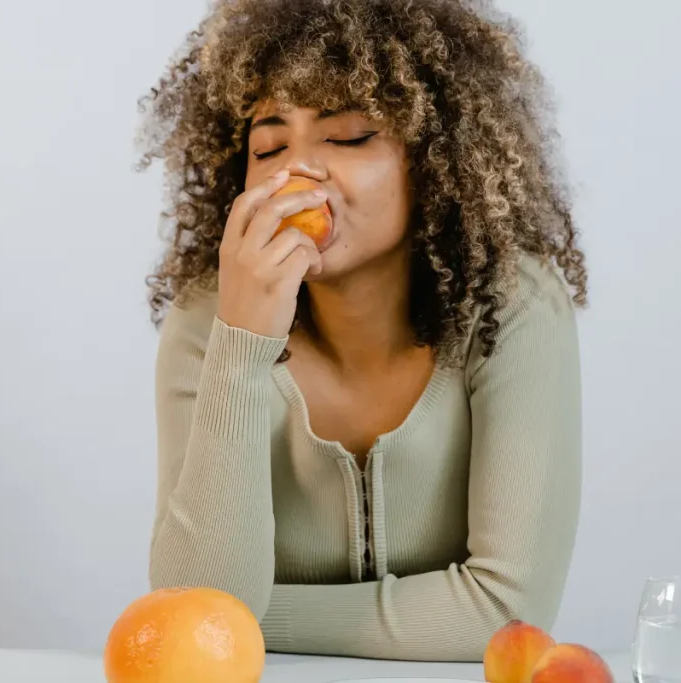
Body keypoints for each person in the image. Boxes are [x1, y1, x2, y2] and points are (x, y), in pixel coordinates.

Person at [135, 0, 587, 662]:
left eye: (347, 136)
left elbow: (508, 610)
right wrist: (241, 343)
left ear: (435, 157)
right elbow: (197, 611)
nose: (298, 170)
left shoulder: (513, 304)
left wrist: (257, 616)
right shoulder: (210, 318)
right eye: (269, 144)